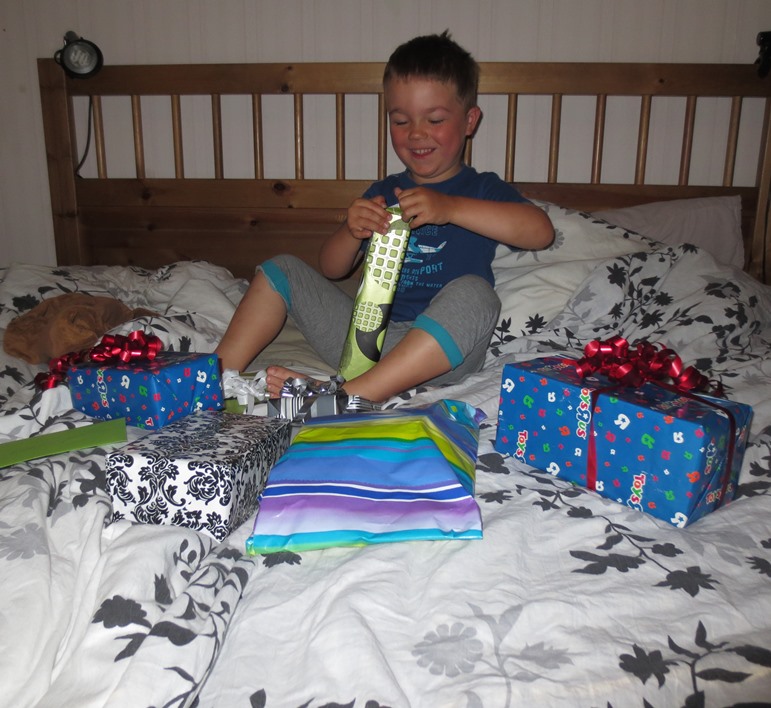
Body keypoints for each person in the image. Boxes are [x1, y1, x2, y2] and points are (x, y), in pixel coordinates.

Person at [215, 31, 554, 403]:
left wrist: (451, 208)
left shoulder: (481, 189)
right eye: (401, 121)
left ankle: (343, 399)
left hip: (439, 355)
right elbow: (332, 268)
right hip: (364, 342)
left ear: (470, 121)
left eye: (435, 119)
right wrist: (350, 232)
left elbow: (540, 232)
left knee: (477, 293)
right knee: (280, 269)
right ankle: (211, 380)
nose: (417, 134)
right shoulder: (383, 191)